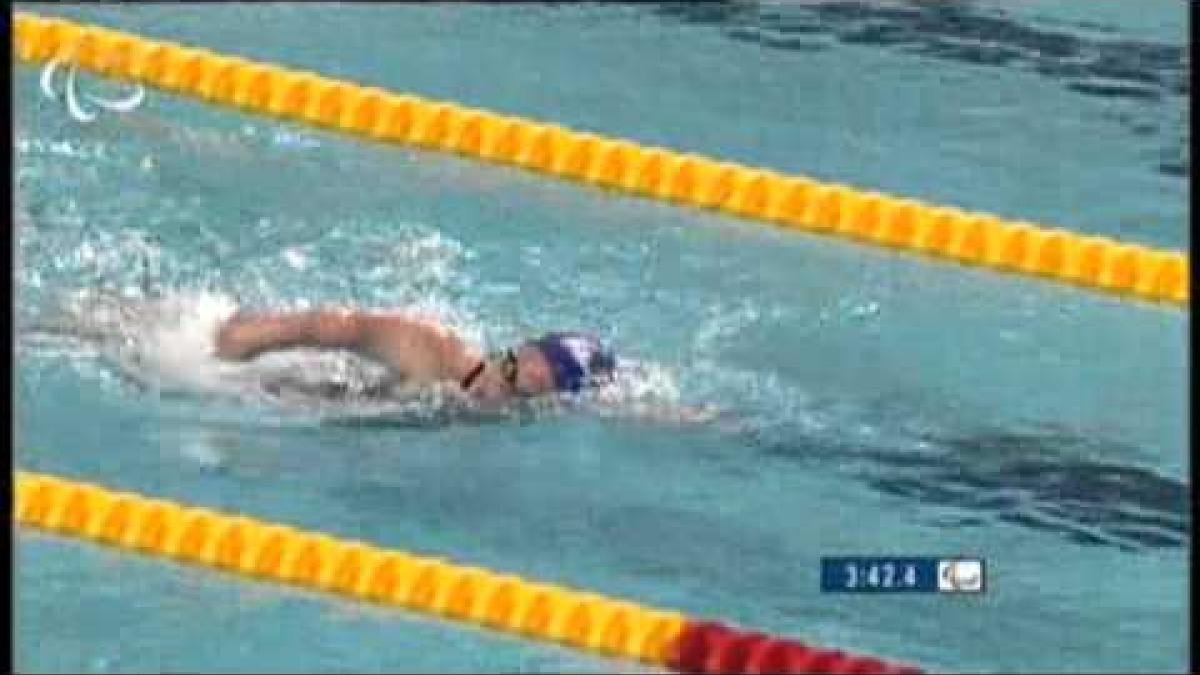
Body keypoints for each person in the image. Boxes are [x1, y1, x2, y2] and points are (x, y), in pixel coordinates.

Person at [214, 306, 618, 405]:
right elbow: (343, 326)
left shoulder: (482, 406)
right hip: (222, 357)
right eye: (509, 372)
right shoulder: (439, 351)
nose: (498, 391)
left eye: (523, 394)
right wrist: (253, 338)